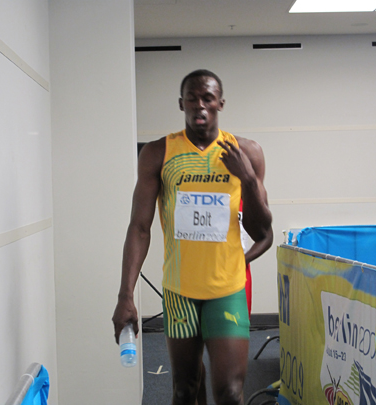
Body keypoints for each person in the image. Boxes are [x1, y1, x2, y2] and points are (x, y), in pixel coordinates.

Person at [112, 69, 273, 405]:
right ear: (181, 103)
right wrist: (126, 294)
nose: (200, 105)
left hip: (227, 289)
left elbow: (262, 232)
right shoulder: (158, 153)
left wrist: (247, 179)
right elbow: (139, 227)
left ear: (220, 103)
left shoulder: (247, 152)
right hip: (179, 291)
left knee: (230, 393)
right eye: (192, 98)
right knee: (185, 390)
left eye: (208, 98)